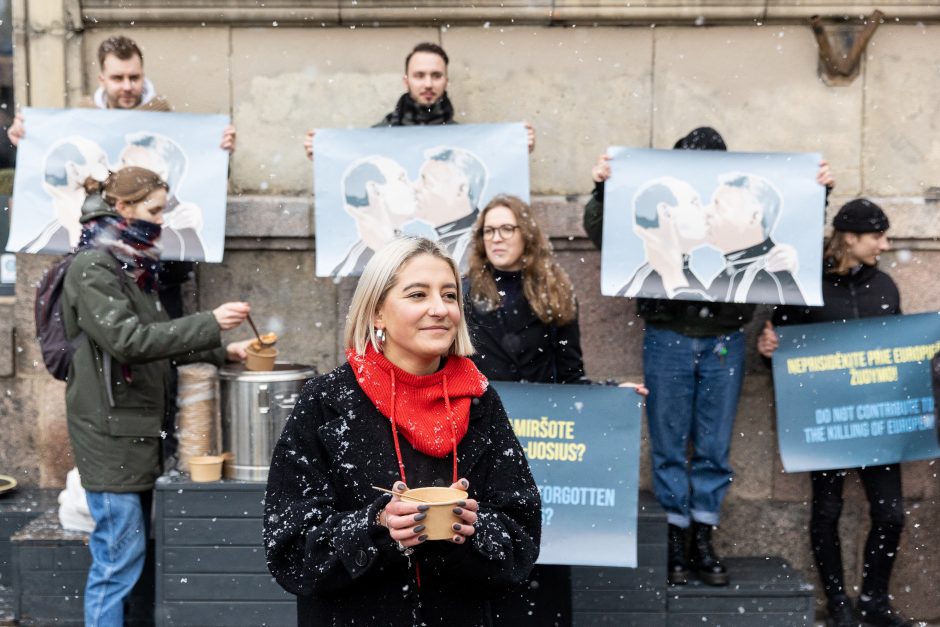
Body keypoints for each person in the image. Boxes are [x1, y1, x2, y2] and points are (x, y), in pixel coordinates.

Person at [583, 126, 834, 587]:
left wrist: (815, 194)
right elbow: (609, 233)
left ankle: (703, 533)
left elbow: (786, 226)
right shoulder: (684, 224)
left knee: (714, 446)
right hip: (668, 336)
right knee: (669, 444)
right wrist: (603, 189)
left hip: (723, 338)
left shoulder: (721, 226)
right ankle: (678, 536)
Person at [263, 237, 541, 626]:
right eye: (417, 294)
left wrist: (473, 530)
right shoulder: (327, 401)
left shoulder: (480, 400)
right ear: (378, 312)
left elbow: (521, 538)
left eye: (449, 295)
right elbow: (290, 550)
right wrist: (377, 527)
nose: (439, 309)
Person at [61, 166, 253, 627]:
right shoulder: (93, 266)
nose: (161, 221)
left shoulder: (128, 264)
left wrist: (223, 349)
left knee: (127, 557)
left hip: (135, 430)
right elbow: (128, 340)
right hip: (110, 433)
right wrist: (210, 322)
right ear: (123, 208)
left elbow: (157, 339)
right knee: (116, 561)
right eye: (153, 210)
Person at [757, 199, 913, 627]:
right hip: (825, 419)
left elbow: (900, 347)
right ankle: (838, 602)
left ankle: (874, 599)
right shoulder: (807, 286)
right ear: (850, 238)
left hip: (878, 418)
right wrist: (768, 350)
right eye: (877, 235)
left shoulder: (885, 286)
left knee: (891, 514)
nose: (885, 243)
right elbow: (782, 348)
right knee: (827, 511)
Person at [303, 42, 535, 160]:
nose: (427, 84)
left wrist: (515, 146)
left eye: (435, 76)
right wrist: (324, 151)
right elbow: (352, 162)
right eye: (419, 75)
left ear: (446, 81)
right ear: (406, 81)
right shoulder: (379, 135)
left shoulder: (466, 140)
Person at [465, 194, 585, 384]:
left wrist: (617, 394)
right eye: (488, 231)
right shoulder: (463, 293)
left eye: (507, 229)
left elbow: (570, 376)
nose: (496, 239)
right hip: (480, 410)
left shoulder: (555, 291)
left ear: (527, 234)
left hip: (539, 411)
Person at [704, 172, 806, 305]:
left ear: (754, 218)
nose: (707, 212)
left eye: (719, 207)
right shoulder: (729, 273)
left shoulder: (768, 275)